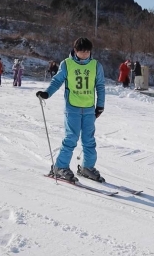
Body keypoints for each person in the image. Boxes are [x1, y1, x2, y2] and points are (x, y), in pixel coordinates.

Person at [36, 37, 106, 183]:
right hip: (72, 108)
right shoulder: (67, 64)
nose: (85, 54)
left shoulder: (95, 65)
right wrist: (47, 93)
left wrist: (100, 105)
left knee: (89, 140)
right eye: (82, 51)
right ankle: (60, 167)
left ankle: (87, 167)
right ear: (75, 51)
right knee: (71, 138)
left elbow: (100, 86)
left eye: (88, 51)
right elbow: (57, 81)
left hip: (88, 109)